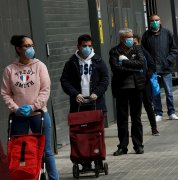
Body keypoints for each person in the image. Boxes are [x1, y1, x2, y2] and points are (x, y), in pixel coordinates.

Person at [1, 35, 59, 180]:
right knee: (18, 150)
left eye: (31, 45)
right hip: (19, 117)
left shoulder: (40, 66)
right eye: (26, 46)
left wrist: (34, 107)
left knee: (46, 151)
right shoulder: (10, 70)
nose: (30, 48)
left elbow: (45, 90)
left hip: (39, 115)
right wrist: (15, 109)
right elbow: (5, 93)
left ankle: (54, 177)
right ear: (18, 49)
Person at [60, 34, 109, 169]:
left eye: (89, 46)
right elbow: (65, 81)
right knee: (81, 136)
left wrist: (96, 93)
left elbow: (105, 79)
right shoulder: (71, 63)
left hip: (96, 105)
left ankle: (97, 158)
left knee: (96, 134)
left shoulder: (98, 61)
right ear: (78, 47)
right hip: (79, 106)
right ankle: (85, 162)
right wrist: (75, 94)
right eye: (84, 46)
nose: (87, 48)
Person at [109, 28, 145, 156]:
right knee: (122, 119)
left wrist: (125, 61)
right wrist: (133, 68)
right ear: (122, 39)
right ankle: (122, 146)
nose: (131, 39)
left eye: (131, 37)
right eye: (128, 37)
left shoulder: (137, 49)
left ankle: (138, 145)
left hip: (137, 87)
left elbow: (141, 63)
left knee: (136, 118)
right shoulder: (114, 51)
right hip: (121, 88)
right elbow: (116, 69)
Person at [142, 14, 178, 121]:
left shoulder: (167, 33)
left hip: (166, 67)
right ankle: (158, 112)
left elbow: (174, 49)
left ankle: (171, 112)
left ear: (160, 21)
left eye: (156, 20)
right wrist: (149, 64)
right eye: (152, 21)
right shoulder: (146, 36)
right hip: (153, 69)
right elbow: (143, 52)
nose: (155, 22)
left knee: (169, 92)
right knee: (155, 92)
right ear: (150, 23)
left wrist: (168, 61)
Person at [133, 34, 160, 136]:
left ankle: (154, 128)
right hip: (134, 84)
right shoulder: (128, 53)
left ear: (139, 42)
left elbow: (152, 65)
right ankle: (136, 130)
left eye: (135, 42)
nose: (133, 45)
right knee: (136, 108)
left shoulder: (144, 52)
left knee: (148, 105)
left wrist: (147, 76)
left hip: (145, 83)